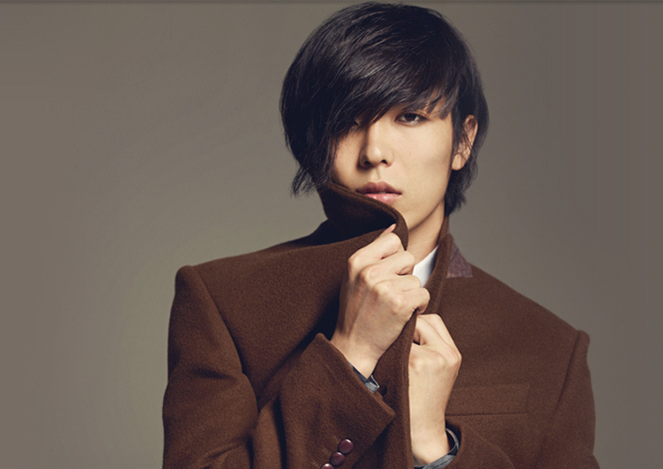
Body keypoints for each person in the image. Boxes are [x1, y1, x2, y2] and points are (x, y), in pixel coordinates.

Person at [162, 3, 598, 468]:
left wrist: (436, 449)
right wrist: (350, 356)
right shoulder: (224, 302)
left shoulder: (548, 346)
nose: (374, 151)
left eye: (409, 116)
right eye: (347, 121)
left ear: (462, 142)